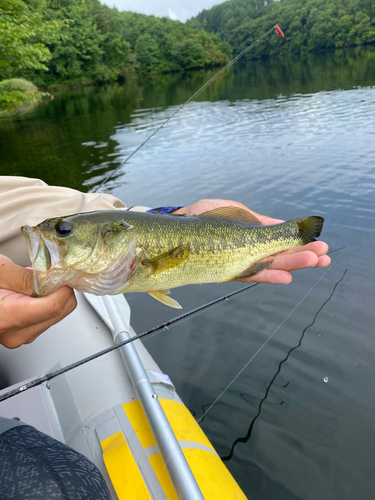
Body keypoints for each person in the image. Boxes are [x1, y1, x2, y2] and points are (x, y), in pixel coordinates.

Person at [0, 176, 330, 349]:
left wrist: (173, 215)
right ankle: (292, 235)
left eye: (64, 230)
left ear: (115, 235)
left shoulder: (129, 244)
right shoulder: (124, 248)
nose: (56, 235)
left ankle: (293, 234)